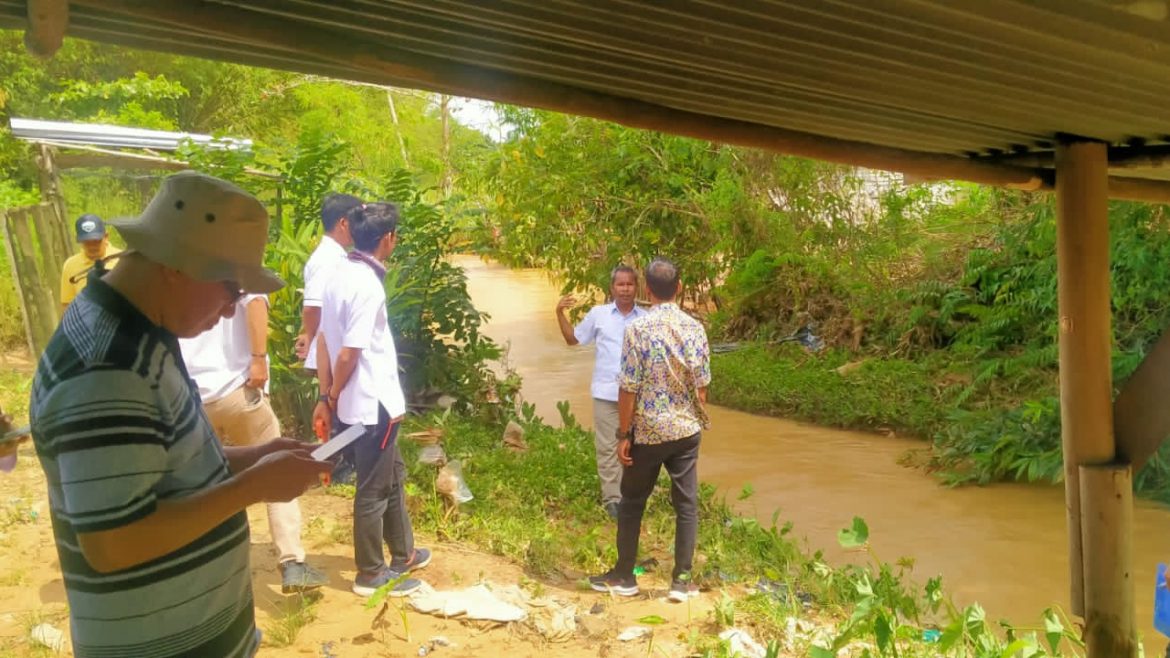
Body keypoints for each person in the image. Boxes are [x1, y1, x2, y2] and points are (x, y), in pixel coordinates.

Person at [29, 171, 332, 658]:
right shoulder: (106, 369)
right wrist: (253, 487)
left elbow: (170, 466)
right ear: (176, 265)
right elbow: (113, 543)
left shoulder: (143, 328)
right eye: (231, 290)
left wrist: (256, 457)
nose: (233, 311)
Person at [313, 202, 431, 598]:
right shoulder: (366, 284)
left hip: (355, 402)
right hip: (373, 403)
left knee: (391, 474)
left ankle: (404, 553)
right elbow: (350, 351)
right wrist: (330, 395)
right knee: (373, 489)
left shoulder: (337, 275)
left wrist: (328, 395)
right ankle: (370, 572)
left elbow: (325, 341)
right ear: (388, 239)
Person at [180, 293, 329, 593]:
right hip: (237, 389)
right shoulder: (235, 253)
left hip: (193, 398)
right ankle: (292, 563)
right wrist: (258, 360)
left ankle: (212, 569)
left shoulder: (177, 264)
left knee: (207, 482)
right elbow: (256, 302)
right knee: (277, 468)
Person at [589, 257, 711, 603]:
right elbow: (702, 388)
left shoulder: (638, 330)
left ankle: (624, 576)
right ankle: (681, 581)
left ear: (645, 290)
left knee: (631, 502)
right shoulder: (695, 328)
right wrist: (688, 412)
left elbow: (627, 388)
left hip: (648, 431)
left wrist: (623, 434)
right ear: (679, 288)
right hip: (685, 432)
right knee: (686, 505)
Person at [555, 265, 645, 519]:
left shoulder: (646, 318)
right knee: (607, 447)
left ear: (636, 288)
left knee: (636, 448)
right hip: (607, 394)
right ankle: (612, 500)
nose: (625, 289)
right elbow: (573, 339)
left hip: (638, 395)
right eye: (621, 284)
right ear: (612, 288)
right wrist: (559, 312)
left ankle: (633, 496)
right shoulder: (599, 314)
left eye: (630, 284)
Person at [295, 193, 361, 369]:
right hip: (329, 356)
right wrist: (310, 337)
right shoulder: (327, 259)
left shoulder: (335, 255)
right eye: (358, 221)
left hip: (332, 353)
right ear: (344, 223)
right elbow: (312, 307)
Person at [59, 213, 122, 313]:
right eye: (87, 242)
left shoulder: (122, 260)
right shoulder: (70, 265)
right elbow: (67, 305)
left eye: (96, 241)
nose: (92, 246)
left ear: (106, 237)